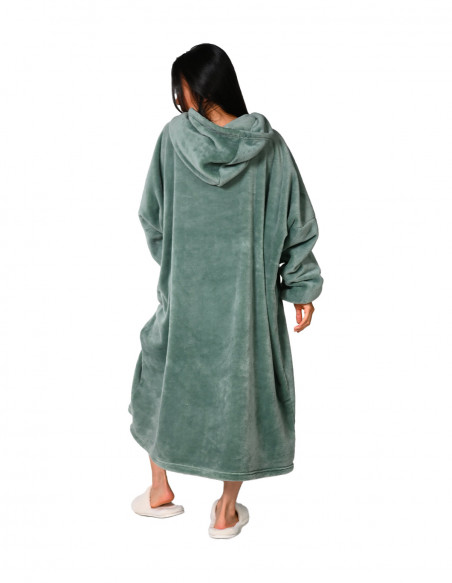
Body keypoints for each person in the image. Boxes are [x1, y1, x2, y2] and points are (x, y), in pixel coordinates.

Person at [128, 43, 324, 539]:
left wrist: (182, 267)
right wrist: (301, 287)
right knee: (240, 394)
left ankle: (159, 488)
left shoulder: (173, 139)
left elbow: (152, 217)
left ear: (194, 87)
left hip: (185, 301)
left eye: (181, 87)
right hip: (248, 308)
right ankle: (225, 512)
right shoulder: (270, 147)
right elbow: (297, 223)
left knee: (159, 379)